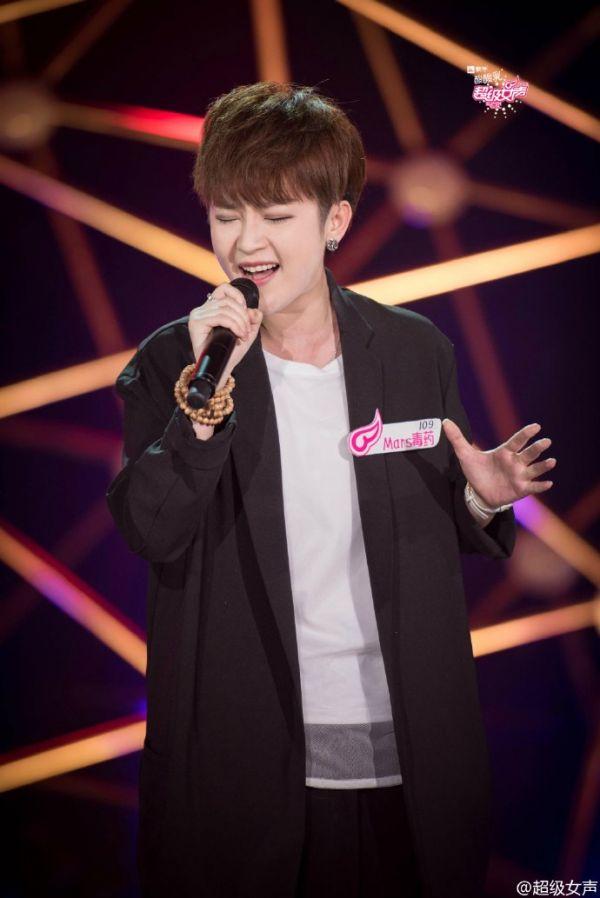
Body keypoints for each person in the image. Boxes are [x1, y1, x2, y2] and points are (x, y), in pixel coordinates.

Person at [106, 82, 556, 898]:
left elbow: (432, 524)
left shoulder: (412, 350)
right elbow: (151, 527)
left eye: (276, 216)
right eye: (226, 216)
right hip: (243, 768)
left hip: (410, 762)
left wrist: (483, 499)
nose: (247, 243)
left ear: (335, 221)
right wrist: (206, 400)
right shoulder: (176, 361)